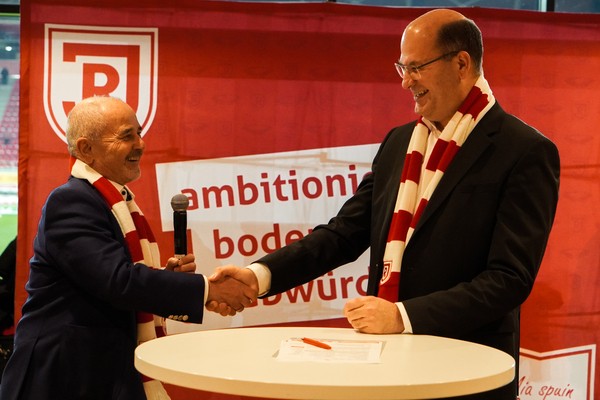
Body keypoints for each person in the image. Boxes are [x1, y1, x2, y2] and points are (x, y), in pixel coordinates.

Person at [211, 9, 560, 400]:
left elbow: (509, 279)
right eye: (402, 68)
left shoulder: (524, 151)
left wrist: (403, 316)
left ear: (462, 63)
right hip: (388, 371)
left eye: (417, 68)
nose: (406, 81)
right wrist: (258, 277)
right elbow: (343, 234)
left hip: (467, 377)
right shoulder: (398, 143)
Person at [0, 96, 255, 400]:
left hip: (102, 371)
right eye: (126, 136)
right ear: (86, 149)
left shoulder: (112, 201)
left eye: (139, 133)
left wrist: (167, 278)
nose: (140, 144)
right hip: (64, 376)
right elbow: (118, 281)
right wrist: (208, 290)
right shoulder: (70, 201)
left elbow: (117, 283)